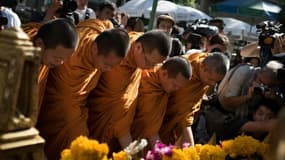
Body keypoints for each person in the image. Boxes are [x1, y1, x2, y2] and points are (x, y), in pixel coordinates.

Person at [36, 19, 130, 160]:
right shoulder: (71, 62)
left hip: (77, 109)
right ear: (94, 49)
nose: (108, 70)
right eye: (106, 64)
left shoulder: (97, 32)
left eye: (112, 66)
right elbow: (66, 103)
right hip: (60, 111)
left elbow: (103, 24)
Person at [87, 30, 172, 152]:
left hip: (119, 128)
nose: (151, 68)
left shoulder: (137, 48)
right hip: (97, 118)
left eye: (156, 64)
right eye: (149, 62)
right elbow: (119, 111)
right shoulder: (117, 60)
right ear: (138, 47)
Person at [159, 52, 230, 146]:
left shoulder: (203, 62)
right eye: (210, 79)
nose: (212, 84)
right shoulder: (186, 74)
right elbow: (182, 112)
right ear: (202, 67)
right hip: (163, 118)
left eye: (216, 81)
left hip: (180, 125)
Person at [131, 56, 192, 147]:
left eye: (179, 87)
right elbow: (151, 130)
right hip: (134, 137)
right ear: (164, 74)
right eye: (175, 85)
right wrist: (164, 153)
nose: (176, 90)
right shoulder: (148, 83)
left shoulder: (163, 83)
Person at [33, 19, 79, 109]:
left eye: (65, 59)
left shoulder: (43, 59)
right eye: (57, 58)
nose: (61, 63)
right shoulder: (17, 54)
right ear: (39, 44)